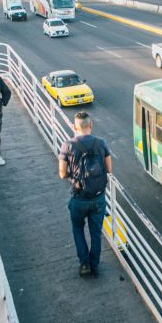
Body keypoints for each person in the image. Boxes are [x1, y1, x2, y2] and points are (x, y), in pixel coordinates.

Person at [58, 112, 112, 278]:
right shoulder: (101, 143)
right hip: (98, 197)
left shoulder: (67, 145)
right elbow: (109, 169)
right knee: (96, 233)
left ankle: (84, 264)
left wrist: (74, 178)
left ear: (75, 127)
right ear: (91, 125)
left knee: (78, 229)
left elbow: (61, 173)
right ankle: (94, 265)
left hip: (79, 197)